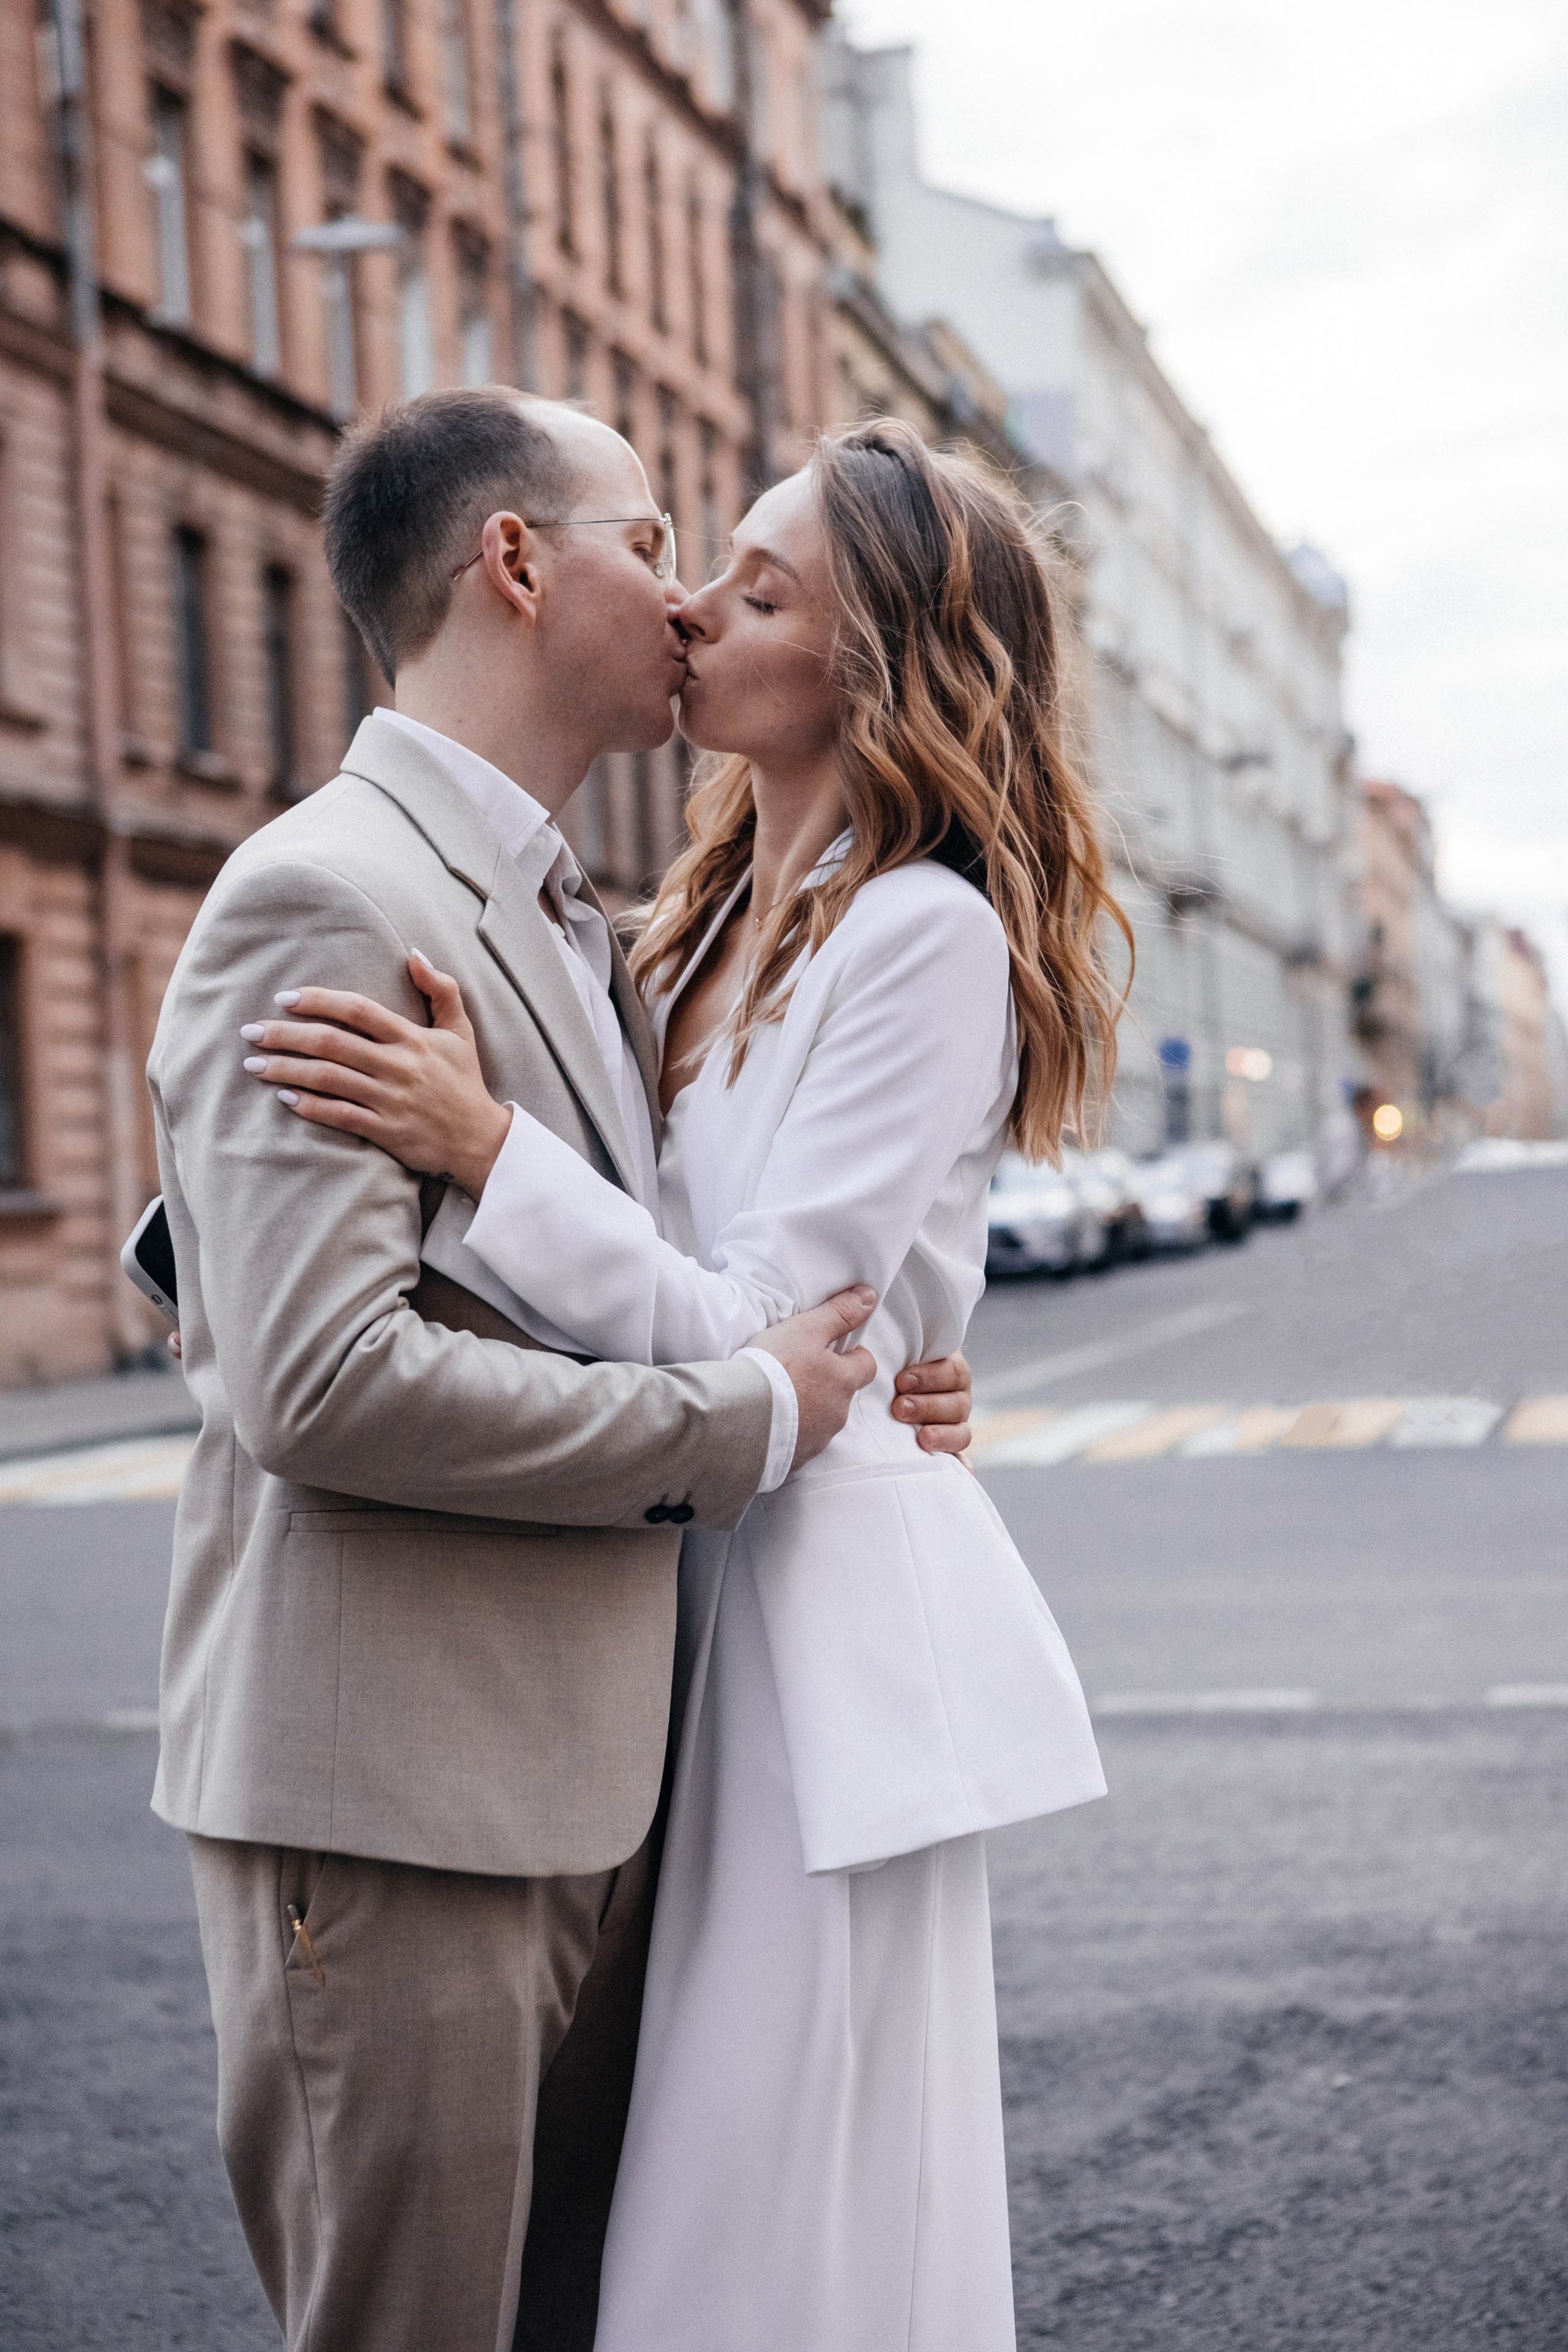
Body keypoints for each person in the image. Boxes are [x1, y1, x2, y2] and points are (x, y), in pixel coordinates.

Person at [240, 416, 1129, 2348]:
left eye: (759, 589)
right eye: (693, 560)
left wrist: (488, 1152)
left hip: (807, 1630)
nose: (697, 607)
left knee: (768, 2211)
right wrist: (221, 1262)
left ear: (874, 665)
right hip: (671, 1579)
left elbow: (762, 1320)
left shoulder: (924, 934)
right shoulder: (692, 921)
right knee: (651, 2210)